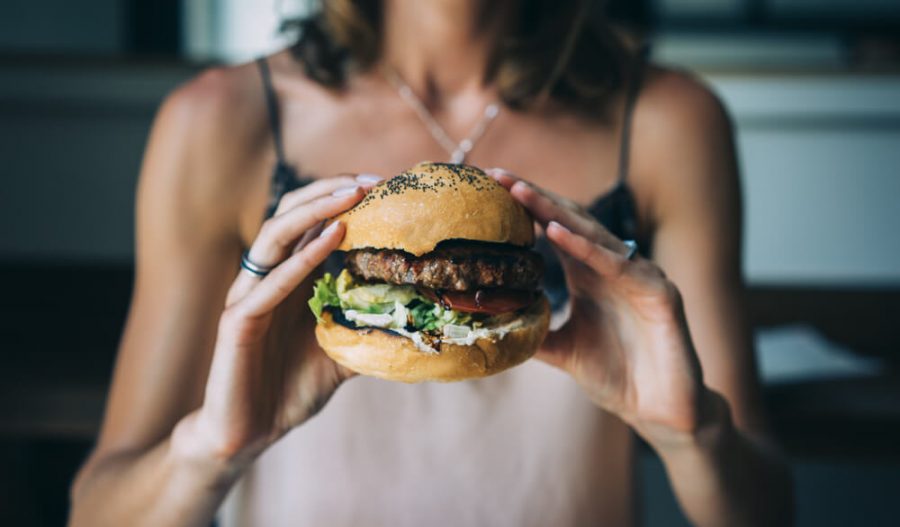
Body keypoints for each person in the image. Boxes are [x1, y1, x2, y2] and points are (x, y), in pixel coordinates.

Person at [69, 1, 793, 525]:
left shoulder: (670, 121)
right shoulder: (221, 120)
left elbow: (764, 508)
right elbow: (98, 511)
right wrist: (213, 449)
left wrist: (690, 435)